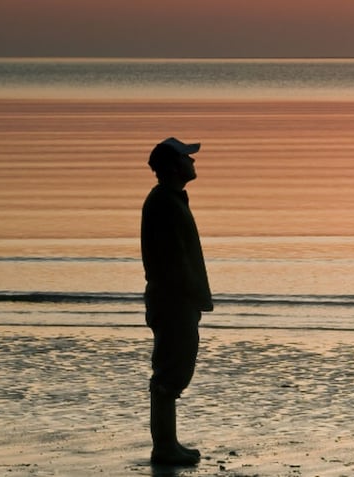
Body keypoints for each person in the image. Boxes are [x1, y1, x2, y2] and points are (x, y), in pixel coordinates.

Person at [141, 137, 212, 466]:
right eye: (186, 157)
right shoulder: (164, 203)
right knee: (169, 374)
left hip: (177, 299)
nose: (192, 162)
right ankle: (164, 446)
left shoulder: (170, 199)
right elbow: (174, 262)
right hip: (173, 300)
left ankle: (168, 443)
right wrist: (193, 295)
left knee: (175, 371)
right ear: (173, 167)